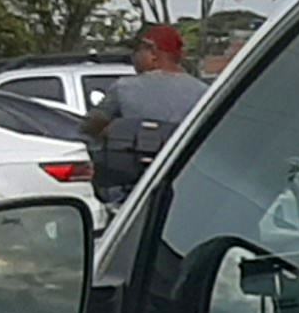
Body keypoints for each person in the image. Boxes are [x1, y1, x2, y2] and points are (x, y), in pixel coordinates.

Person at [86, 25, 210, 204]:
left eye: (137, 51)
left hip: (130, 193)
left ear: (152, 52)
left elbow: (90, 129)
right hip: (185, 191)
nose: (134, 58)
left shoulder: (124, 89)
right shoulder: (203, 93)